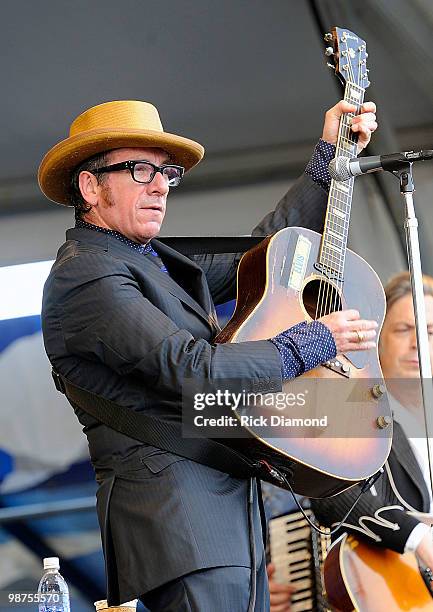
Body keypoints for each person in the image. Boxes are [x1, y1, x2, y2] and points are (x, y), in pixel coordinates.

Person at [39, 98, 377, 611]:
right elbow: (194, 370)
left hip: (217, 520)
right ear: (91, 187)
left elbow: (273, 253)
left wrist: (329, 155)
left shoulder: (149, 264)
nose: (159, 185)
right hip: (179, 524)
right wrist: (315, 342)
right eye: (139, 170)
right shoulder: (86, 273)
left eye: (166, 173)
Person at [308, 272, 433, 586]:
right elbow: (332, 495)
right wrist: (418, 537)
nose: (418, 343)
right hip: (394, 588)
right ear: (376, 340)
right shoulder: (353, 404)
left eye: (430, 332)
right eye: (404, 329)